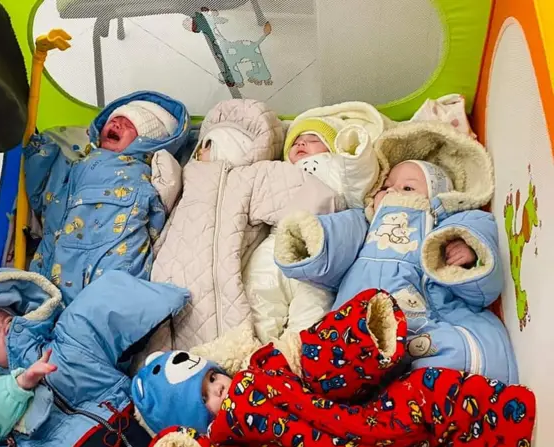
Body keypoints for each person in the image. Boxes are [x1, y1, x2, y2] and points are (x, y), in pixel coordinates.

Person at [133, 289, 536, 447]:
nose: (218, 389)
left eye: (212, 378)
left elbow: (310, 357)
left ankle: (508, 425)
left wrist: (359, 333)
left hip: (362, 421)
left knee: (422, 389)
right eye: (203, 398)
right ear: (194, 425)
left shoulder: (263, 368)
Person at [274, 121, 518, 384]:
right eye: (386, 185)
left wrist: (467, 249)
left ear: (437, 198)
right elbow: (339, 243)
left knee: (453, 352)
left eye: (408, 188)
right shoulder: (365, 221)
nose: (391, 191)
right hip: (355, 328)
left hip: (417, 318)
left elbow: (482, 264)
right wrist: (313, 239)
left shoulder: (439, 223)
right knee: (325, 363)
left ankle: (444, 395)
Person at [0, 267, 189, 447]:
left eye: (7, 321)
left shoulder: (63, 343)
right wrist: (22, 383)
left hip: (110, 431)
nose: (5, 330)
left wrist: (164, 297)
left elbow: (97, 310)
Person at [149, 99, 340, 355]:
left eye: (207, 146)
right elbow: (163, 208)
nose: (199, 153)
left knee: (223, 323)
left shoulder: (251, 176)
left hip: (219, 273)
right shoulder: (190, 174)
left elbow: (310, 196)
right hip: (170, 266)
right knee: (159, 332)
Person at [24, 91, 189, 304]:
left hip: (113, 251)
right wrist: (39, 151)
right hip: (59, 252)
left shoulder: (146, 168)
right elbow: (48, 191)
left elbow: (162, 206)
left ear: (147, 141)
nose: (117, 125)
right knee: (41, 304)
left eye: (128, 125)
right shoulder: (79, 164)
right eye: (114, 120)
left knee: (110, 302)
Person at [243, 103, 386, 342]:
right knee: (258, 289)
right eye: (296, 141)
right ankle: (258, 348)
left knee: (312, 311)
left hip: (322, 249)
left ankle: (294, 357)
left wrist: (353, 153)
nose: (301, 143)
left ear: (331, 146)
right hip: (279, 241)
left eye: (312, 138)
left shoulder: (338, 168)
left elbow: (359, 179)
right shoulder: (281, 170)